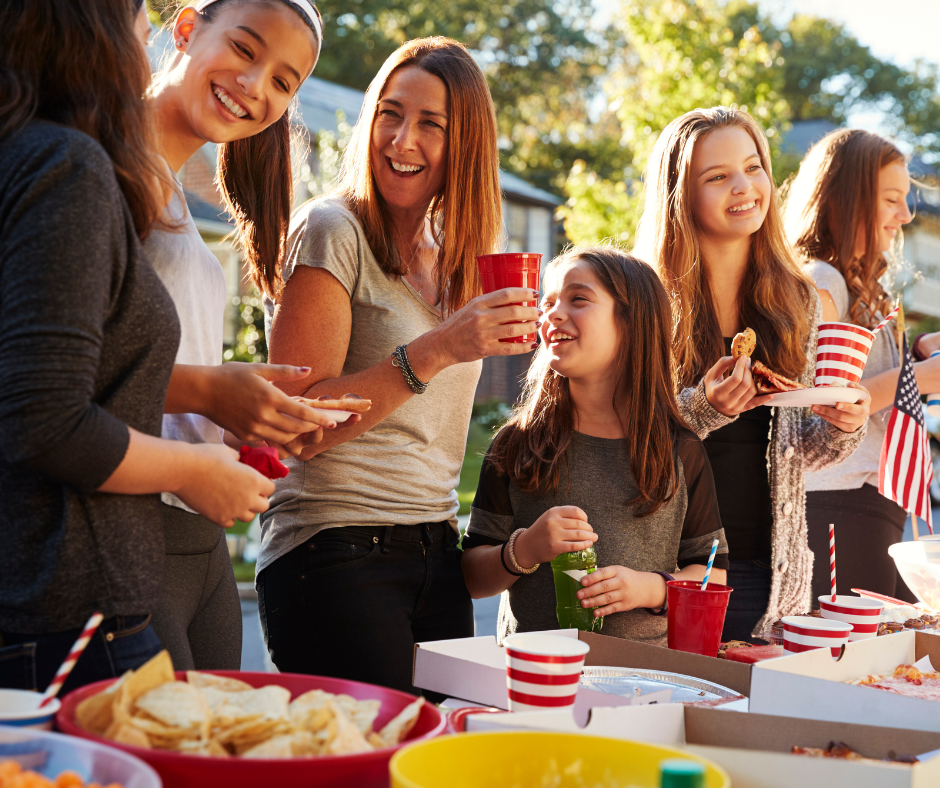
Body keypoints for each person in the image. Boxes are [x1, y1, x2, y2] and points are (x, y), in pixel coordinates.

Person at [0, 0, 273, 695]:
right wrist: (192, 467)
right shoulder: (67, 164)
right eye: (136, 17)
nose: (142, 35)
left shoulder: (40, 154)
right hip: (68, 613)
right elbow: (46, 420)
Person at [256, 37, 540, 694]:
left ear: (465, 146)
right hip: (332, 548)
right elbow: (299, 425)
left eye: (430, 125)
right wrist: (437, 348)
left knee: (437, 756)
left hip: (435, 551)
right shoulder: (332, 229)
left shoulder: (460, 260)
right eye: (390, 113)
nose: (401, 139)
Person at [145, 0, 338, 671]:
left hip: (198, 541)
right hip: (130, 529)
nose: (256, 86)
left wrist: (245, 422)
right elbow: (56, 378)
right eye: (246, 50)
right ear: (187, 27)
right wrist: (212, 394)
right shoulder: (97, 172)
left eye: (285, 81)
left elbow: (148, 375)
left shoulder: (173, 205)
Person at [633, 107, 871, 641]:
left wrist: (841, 424)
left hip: (769, 573)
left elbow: (799, 452)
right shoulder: (638, 299)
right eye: (717, 177)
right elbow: (616, 443)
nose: (744, 187)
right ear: (679, 195)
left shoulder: (799, 302)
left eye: (753, 166)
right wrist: (704, 410)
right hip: (662, 572)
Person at [461, 247, 728, 645]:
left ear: (633, 322)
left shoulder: (680, 449)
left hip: (642, 682)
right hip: (530, 674)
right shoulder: (516, 445)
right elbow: (472, 578)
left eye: (578, 298)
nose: (551, 313)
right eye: (547, 302)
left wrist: (650, 589)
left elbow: (711, 574)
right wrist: (526, 549)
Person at [783, 129, 940, 602]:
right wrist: (921, 377)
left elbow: (854, 378)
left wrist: (915, 354)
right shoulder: (821, 280)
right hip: (839, 504)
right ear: (848, 201)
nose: (907, 214)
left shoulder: (855, 283)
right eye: (891, 199)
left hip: (866, 502)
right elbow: (818, 406)